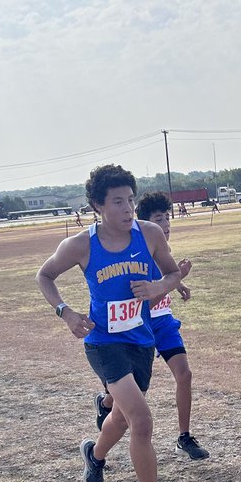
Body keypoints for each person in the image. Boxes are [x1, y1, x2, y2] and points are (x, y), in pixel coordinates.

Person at [36, 164, 188, 482]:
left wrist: (158, 287)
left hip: (141, 340)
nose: (127, 209)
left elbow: (172, 274)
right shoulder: (81, 244)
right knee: (141, 419)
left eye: (131, 200)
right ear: (97, 206)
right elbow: (45, 275)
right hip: (103, 343)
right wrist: (65, 312)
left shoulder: (150, 234)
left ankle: (95, 454)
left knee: (120, 420)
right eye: (118, 202)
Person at [95, 191, 208, 461]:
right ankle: (105, 402)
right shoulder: (135, 253)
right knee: (125, 395)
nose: (166, 225)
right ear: (146, 224)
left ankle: (184, 436)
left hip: (164, 322)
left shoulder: (161, 249)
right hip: (137, 328)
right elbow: (142, 301)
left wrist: (178, 282)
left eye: (167, 218)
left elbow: (164, 279)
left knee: (184, 374)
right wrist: (176, 278)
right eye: (159, 219)